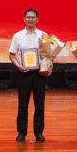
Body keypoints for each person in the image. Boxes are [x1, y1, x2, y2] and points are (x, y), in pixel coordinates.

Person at [9, 8, 51, 142]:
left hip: (40, 74)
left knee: (40, 105)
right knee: (22, 105)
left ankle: (39, 132)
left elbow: (49, 55)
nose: (30, 19)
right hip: (24, 74)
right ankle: (21, 132)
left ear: (37, 19)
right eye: (28, 17)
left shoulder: (43, 35)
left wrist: (49, 67)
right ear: (24, 19)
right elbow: (11, 55)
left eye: (33, 17)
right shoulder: (18, 36)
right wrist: (18, 66)